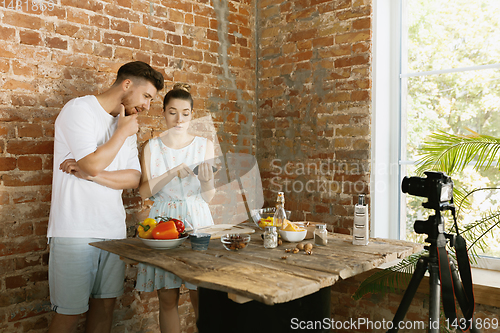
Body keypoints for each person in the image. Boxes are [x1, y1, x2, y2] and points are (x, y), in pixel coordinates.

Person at [47, 61, 164, 333]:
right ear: (126, 85)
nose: (147, 105)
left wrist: (90, 175)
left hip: (112, 231)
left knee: (104, 310)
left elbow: (133, 178)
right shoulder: (80, 110)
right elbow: (92, 162)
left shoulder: (125, 121)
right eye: (146, 96)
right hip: (74, 231)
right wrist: (121, 134)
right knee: (68, 315)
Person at [136, 83, 216, 333]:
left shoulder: (204, 145)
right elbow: (144, 191)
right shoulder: (152, 147)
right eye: (172, 112)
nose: (178, 118)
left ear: (192, 114)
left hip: (197, 218)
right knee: (167, 297)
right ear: (163, 112)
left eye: (185, 113)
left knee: (201, 295)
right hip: (163, 222)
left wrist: (205, 181)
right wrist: (171, 172)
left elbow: (210, 197)